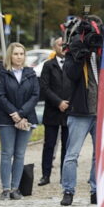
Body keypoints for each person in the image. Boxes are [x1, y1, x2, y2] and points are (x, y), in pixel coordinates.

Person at [60, 16, 102, 206]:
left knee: (99, 155)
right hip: (80, 112)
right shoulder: (74, 51)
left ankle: (96, 190)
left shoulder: (102, 52)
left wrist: (95, 50)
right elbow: (71, 75)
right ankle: (68, 190)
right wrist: (80, 54)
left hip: (101, 110)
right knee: (72, 154)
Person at [0, 43, 39, 200]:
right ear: (10, 56)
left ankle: (15, 188)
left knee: (20, 154)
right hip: (7, 118)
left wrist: (21, 115)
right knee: (7, 153)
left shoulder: (31, 73)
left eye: (21, 54)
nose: (19, 57)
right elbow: (0, 95)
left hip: (26, 118)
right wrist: (14, 114)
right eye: (16, 54)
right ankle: (6, 189)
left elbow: (35, 95)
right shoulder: (3, 72)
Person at [38, 37, 69, 186]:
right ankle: (45, 174)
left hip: (69, 111)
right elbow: (44, 88)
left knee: (67, 145)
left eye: (64, 44)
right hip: (52, 111)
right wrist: (58, 102)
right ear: (54, 47)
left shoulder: (72, 64)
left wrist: (67, 103)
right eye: (59, 44)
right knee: (49, 144)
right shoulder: (48, 65)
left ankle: (65, 176)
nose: (62, 46)